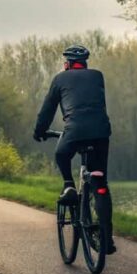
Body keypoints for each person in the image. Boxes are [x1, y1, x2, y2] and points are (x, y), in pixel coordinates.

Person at [33, 44, 116, 254]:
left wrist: (40, 131)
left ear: (67, 63)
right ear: (85, 63)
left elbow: (47, 110)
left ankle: (69, 184)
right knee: (101, 183)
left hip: (74, 131)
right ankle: (107, 238)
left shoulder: (60, 79)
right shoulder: (98, 76)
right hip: (100, 132)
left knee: (61, 154)